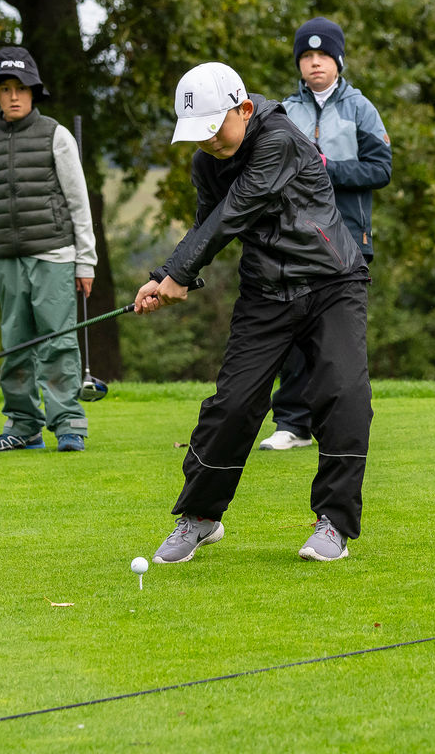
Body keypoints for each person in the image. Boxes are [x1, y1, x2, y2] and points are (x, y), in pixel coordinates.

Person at [134, 61, 373, 563]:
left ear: (243, 109)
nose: (208, 142)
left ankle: (333, 523)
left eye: (215, 128)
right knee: (233, 404)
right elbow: (206, 224)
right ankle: (200, 517)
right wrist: (165, 275)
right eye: (198, 134)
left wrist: (179, 273)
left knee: (342, 393)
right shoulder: (207, 162)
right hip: (265, 292)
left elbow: (236, 210)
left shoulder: (279, 138)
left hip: (332, 282)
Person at [259, 16, 392, 451]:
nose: (315, 62)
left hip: (349, 238)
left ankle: (336, 424)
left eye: (323, 55)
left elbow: (380, 169)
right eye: (307, 55)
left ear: (338, 60)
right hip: (296, 239)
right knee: (294, 334)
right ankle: (292, 424)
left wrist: (327, 169)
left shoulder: (360, 108)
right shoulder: (284, 110)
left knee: (339, 341)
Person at [0, 45, 97, 453]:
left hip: (55, 255)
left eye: (21, 88)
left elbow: (79, 201)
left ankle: (69, 423)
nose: (14, 96)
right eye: (5, 89)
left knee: (58, 342)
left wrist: (86, 261)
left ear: (34, 92)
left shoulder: (56, 135)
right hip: (6, 259)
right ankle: (23, 426)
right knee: (16, 346)